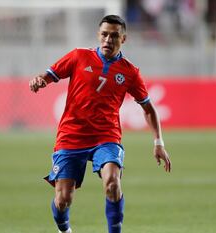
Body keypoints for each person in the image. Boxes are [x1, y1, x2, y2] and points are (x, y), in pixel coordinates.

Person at [29, 15, 171, 233]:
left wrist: (158, 142)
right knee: (63, 199)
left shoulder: (130, 72)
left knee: (112, 184)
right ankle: (64, 229)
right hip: (71, 135)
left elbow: (148, 108)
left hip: (106, 136)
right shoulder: (78, 57)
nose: (108, 40)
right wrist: (40, 81)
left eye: (114, 36)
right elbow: (49, 75)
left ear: (123, 39)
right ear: (98, 35)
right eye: (104, 34)